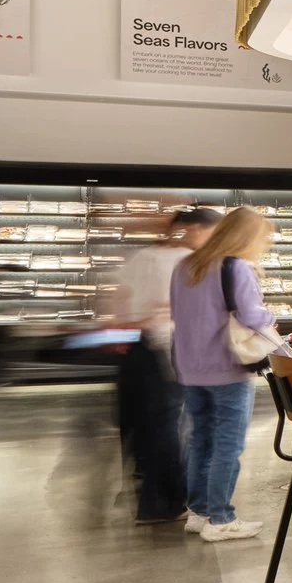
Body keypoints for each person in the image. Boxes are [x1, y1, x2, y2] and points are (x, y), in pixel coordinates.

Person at [170, 207, 292, 541]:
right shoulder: (236, 267)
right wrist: (269, 321)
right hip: (228, 368)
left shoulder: (184, 265)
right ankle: (221, 519)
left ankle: (199, 511)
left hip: (190, 367)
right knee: (227, 445)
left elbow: (178, 314)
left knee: (200, 440)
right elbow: (251, 315)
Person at [116, 207, 214, 525]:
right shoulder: (186, 263)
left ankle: (152, 497)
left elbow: (121, 304)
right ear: (195, 229)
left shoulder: (142, 257)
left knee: (151, 426)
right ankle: (164, 503)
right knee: (171, 428)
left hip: (140, 348)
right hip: (171, 349)